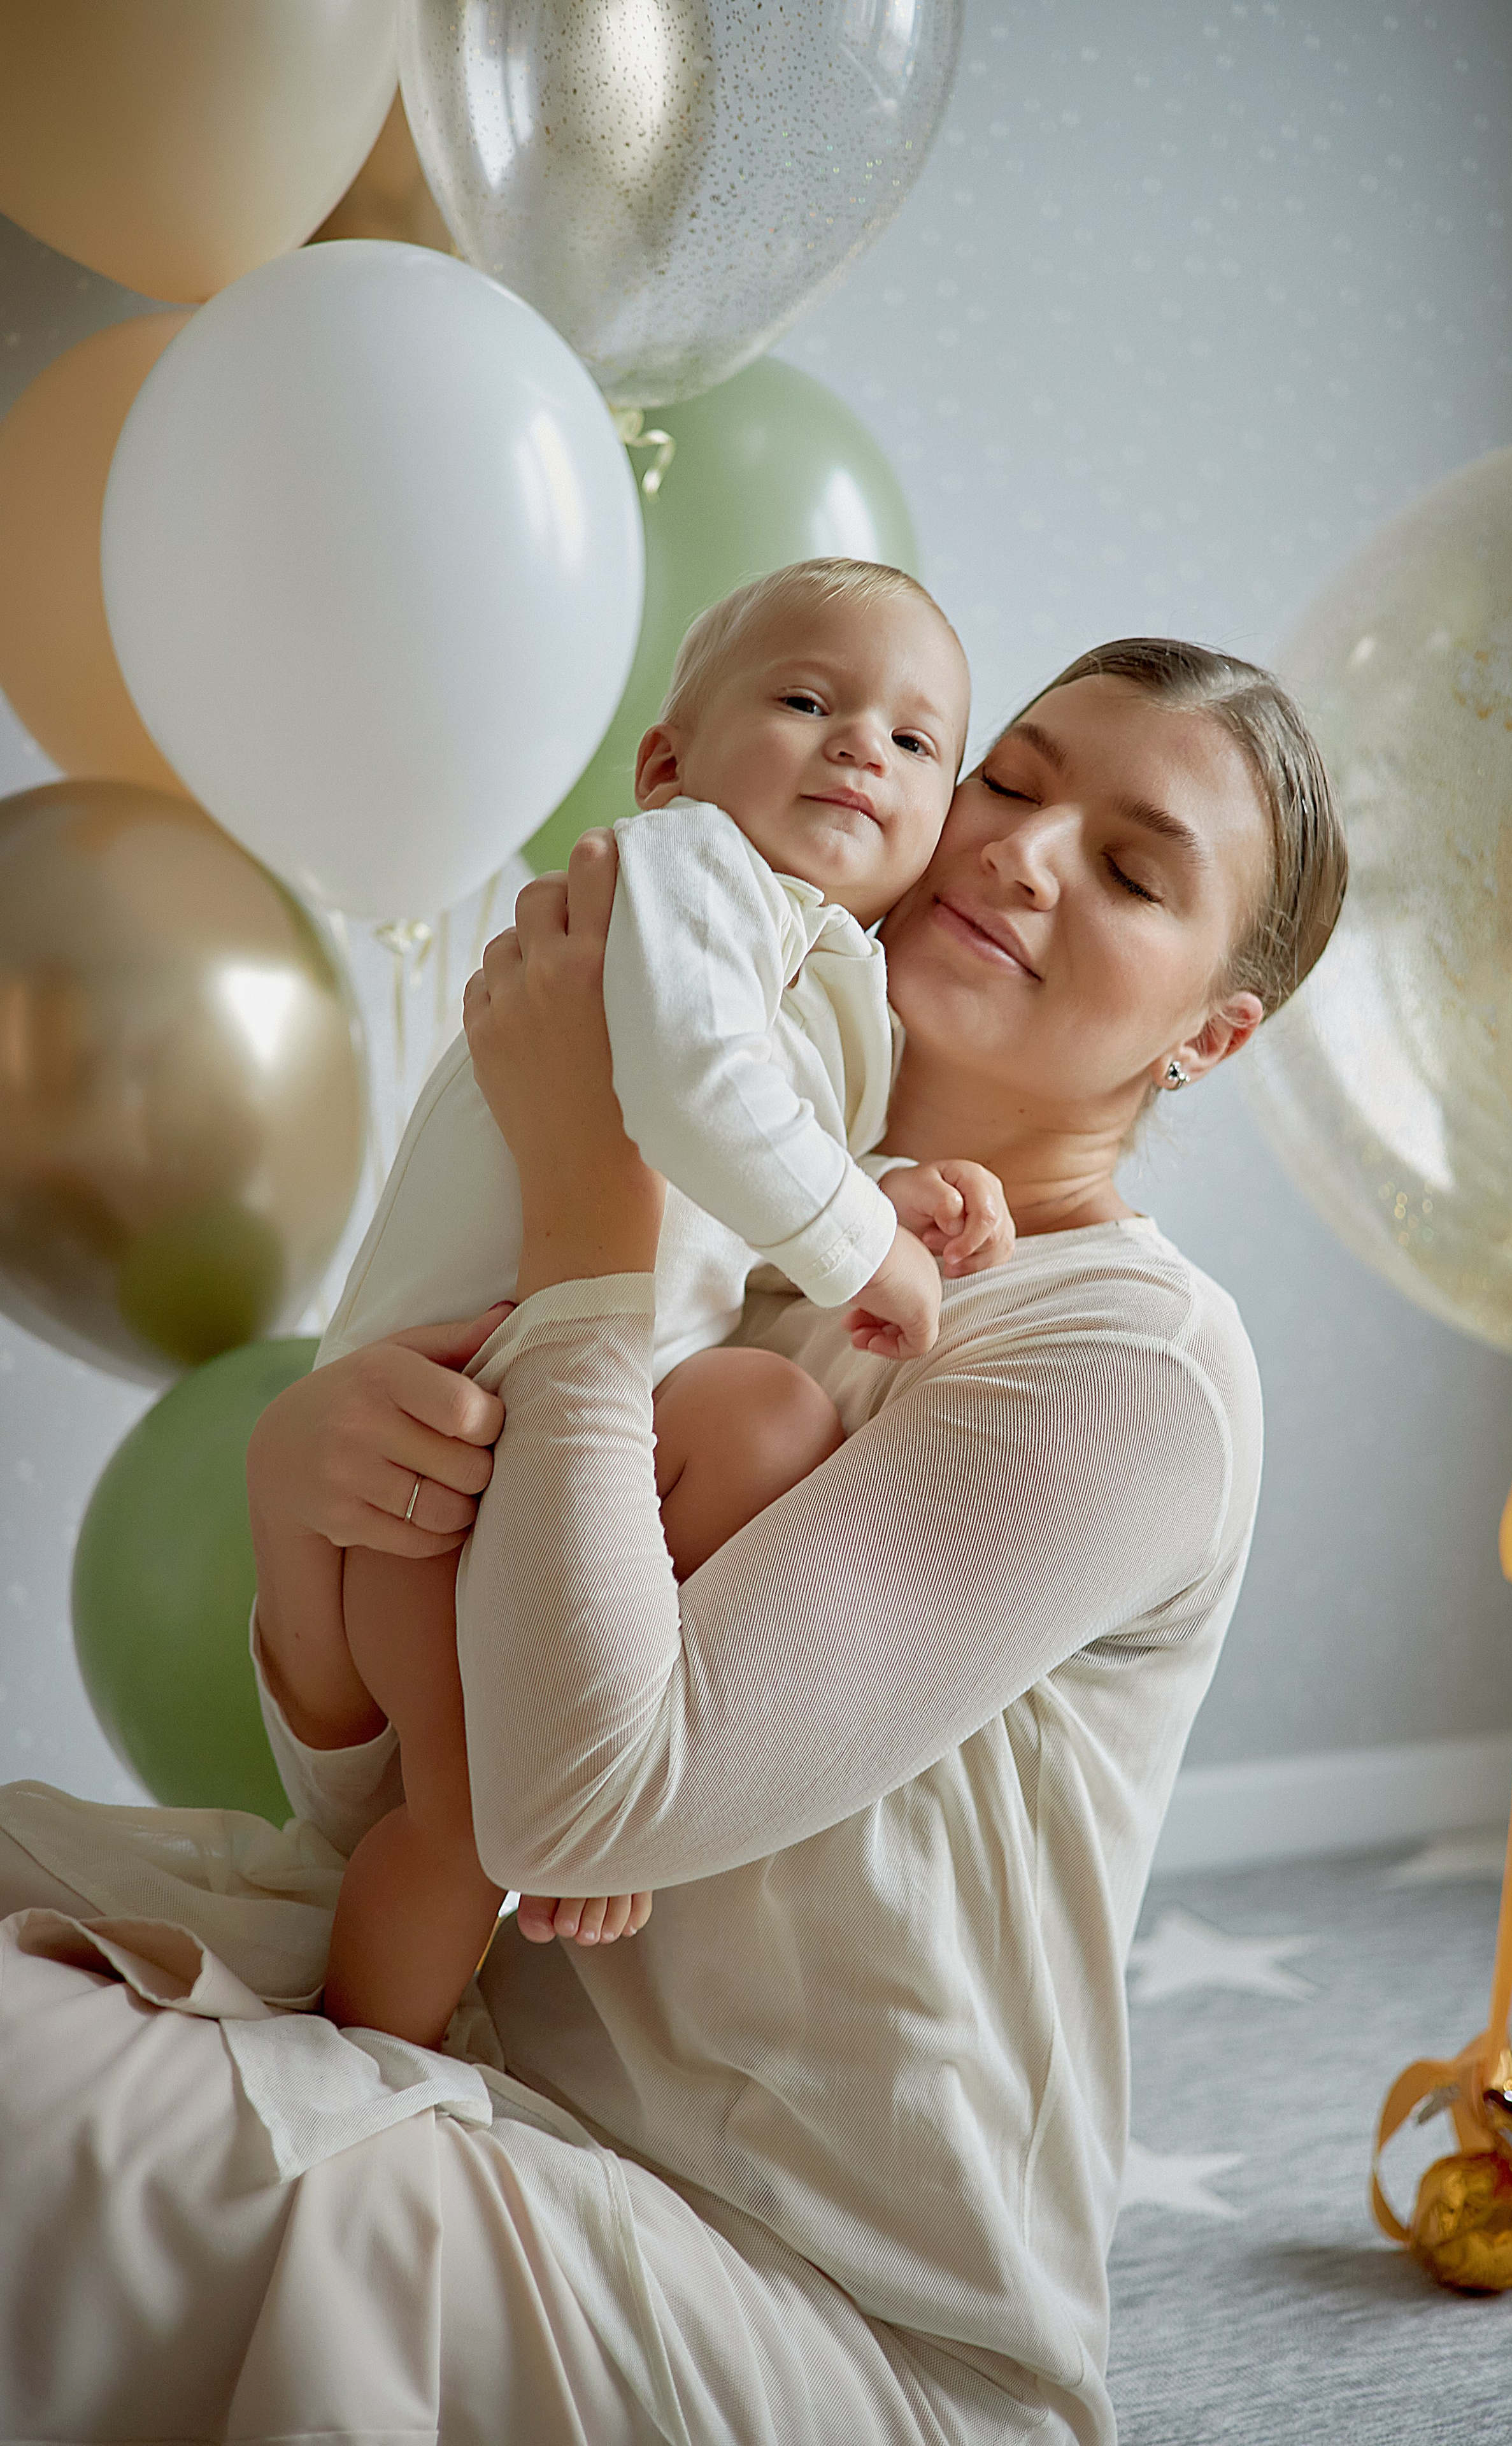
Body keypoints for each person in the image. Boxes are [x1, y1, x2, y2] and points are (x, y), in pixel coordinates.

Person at [0, 638, 1346, 2445]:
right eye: (1013, 784)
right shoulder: (752, 1245)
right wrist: (306, 1491)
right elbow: (408, 1821)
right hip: (478, 2070)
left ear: (1211, 1031)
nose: (1023, 852)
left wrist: (587, 1211)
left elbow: (571, 1811)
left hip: (814, 2304)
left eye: (1130, 870)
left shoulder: (1124, 1365)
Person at [318, 555, 1020, 2045]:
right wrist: (865, 1248)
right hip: (431, 1447)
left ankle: (594, 1775)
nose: (858, 747)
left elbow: (737, 1199)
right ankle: (358, 2082)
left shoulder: (831, 988)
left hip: (574, 1435)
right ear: (667, 764)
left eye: (913, 743)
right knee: (453, 1828)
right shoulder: (684, 870)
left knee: (770, 1407)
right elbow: (697, 1091)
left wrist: (881, 1188)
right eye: (807, 699)